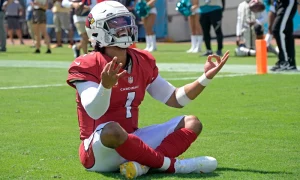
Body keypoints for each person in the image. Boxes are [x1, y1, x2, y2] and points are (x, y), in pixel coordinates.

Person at [66, 1, 230, 179]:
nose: (125, 27)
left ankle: (144, 165)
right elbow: (94, 110)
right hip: (100, 150)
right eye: (117, 23)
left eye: (126, 21)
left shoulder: (141, 59)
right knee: (113, 129)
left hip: (132, 141)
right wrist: (105, 87)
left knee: (192, 122)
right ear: (97, 29)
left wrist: (205, 77)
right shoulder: (87, 64)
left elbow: (176, 99)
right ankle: (174, 166)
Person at [270, 0, 298, 71]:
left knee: (278, 30)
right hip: (280, 3)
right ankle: (291, 62)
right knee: (286, 32)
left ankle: (285, 61)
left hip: (287, 2)